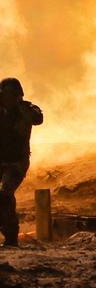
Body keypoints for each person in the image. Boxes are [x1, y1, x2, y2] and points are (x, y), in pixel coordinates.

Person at [0, 78, 43, 247]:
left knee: (4, 194)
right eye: (7, 95)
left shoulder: (26, 109)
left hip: (16, 163)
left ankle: (11, 237)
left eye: (14, 96)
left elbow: (38, 118)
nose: (10, 99)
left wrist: (20, 109)